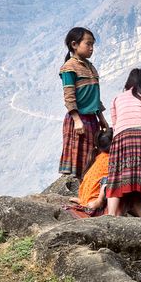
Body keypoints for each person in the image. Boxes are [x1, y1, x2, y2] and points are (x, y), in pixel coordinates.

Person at [58, 27, 109, 179]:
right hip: (79, 120)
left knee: (91, 156)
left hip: (92, 119)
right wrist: (77, 120)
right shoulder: (69, 68)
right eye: (88, 44)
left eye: (93, 44)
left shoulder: (90, 67)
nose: (91, 48)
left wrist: (102, 118)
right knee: (81, 160)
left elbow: (95, 96)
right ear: (74, 44)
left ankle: (88, 189)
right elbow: (69, 96)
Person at [105, 69, 141, 217]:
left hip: (123, 134)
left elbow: (115, 125)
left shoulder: (118, 98)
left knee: (116, 174)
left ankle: (112, 213)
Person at [65, 129, 113, 218]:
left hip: (85, 199)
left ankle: (84, 200)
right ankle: (98, 202)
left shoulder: (98, 157)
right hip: (94, 201)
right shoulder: (113, 159)